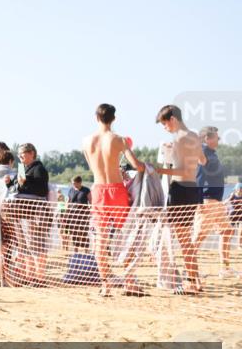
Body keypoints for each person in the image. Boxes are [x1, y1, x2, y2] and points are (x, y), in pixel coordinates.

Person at [81, 103, 145, 295]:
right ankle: (129, 282)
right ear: (114, 118)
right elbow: (136, 165)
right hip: (116, 190)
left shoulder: (86, 141)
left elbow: (92, 167)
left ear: (96, 117)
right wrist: (149, 167)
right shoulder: (118, 139)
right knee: (127, 235)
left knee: (101, 239)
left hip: (98, 190)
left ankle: (106, 285)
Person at [153, 105, 206, 294]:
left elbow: (182, 170)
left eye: (165, 124)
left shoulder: (179, 139)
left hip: (180, 189)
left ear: (172, 119)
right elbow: (203, 161)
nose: (165, 128)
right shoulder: (194, 136)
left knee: (184, 240)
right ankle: (195, 280)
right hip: (192, 189)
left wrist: (161, 170)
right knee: (186, 240)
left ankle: (192, 281)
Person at [194, 126, 237, 280]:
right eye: (217, 138)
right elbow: (198, 178)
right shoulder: (203, 153)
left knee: (227, 231)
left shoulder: (211, 153)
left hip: (216, 201)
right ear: (207, 138)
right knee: (199, 236)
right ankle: (190, 270)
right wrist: (199, 201)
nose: (219, 140)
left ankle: (224, 268)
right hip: (208, 200)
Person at [12, 143, 51, 284]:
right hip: (22, 213)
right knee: (25, 245)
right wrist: (11, 183)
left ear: (32, 153)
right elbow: (18, 188)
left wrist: (26, 181)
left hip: (34, 213)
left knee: (36, 244)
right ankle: (29, 276)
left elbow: (42, 191)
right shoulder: (23, 168)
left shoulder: (39, 169)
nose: (20, 156)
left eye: (22, 153)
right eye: (18, 154)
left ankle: (39, 278)